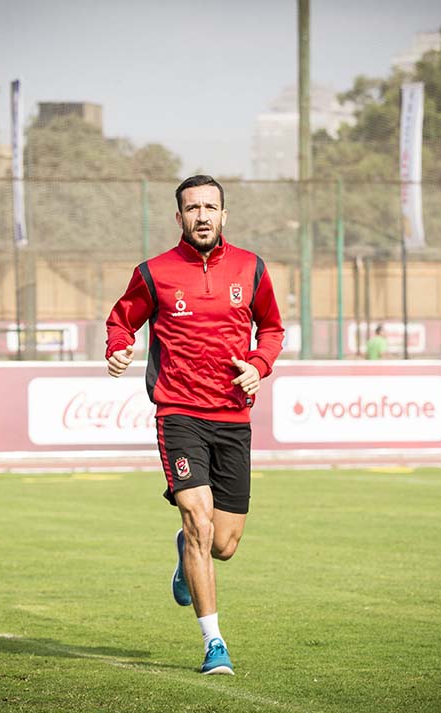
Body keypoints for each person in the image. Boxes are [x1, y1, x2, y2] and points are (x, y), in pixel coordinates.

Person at [105, 175, 284, 675]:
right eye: (192, 208)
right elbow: (122, 319)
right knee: (199, 521)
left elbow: (271, 328)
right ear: (179, 216)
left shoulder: (251, 268)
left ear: (223, 215)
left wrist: (259, 364)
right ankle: (214, 643)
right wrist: (118, 347)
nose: (202, 215)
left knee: (223, 544)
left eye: (210, 207)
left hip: (233, 416)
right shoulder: (153, 273)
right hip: (179, 413)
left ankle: (187, 551)